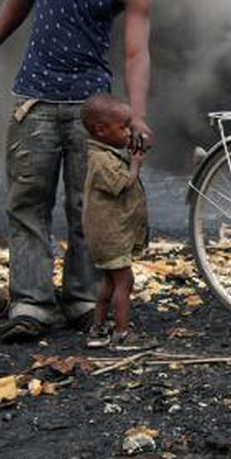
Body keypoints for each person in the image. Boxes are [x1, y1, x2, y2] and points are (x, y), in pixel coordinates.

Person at [0, 0, 154, 342]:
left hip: (92, 112)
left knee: (89, 208)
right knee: (27, 203)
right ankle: (30, 304)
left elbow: (135, 54)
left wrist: (136, 115)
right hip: (35, 98)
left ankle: (84, 300)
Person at [79, 94, 149, 349]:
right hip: (110, 235)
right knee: (124, 281)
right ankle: (121, 333)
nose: (129, 133)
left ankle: (97, 330)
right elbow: (123, 185)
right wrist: (136, 164)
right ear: (100, 130)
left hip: (109, 234)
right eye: (123, 128)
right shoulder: (100, 160)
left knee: (109, 281)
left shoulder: (104, 153)